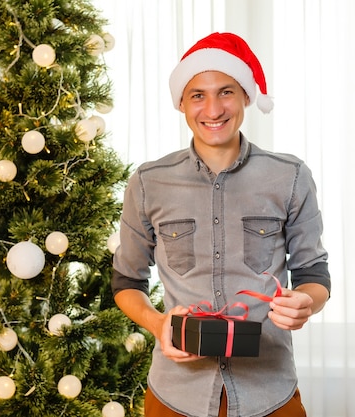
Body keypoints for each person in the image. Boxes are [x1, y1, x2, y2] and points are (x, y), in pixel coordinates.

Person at [111, 32, 330, 417]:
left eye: (226, 92)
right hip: (175, 396)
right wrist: (158, 323)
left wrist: (305, 303)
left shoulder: (291, 176)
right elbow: (127, 282)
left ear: (246, 95)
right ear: (181, 103)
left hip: (270, 394)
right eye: (198, 95)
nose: (213, 109)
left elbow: (314, 274)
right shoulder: (148, 182)